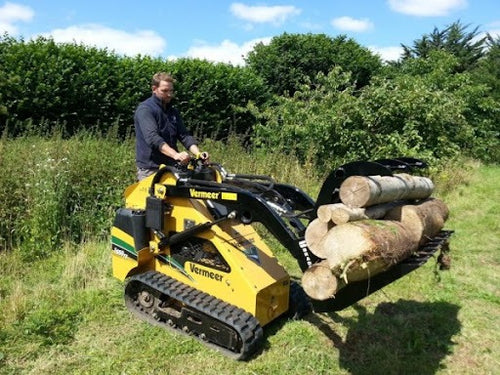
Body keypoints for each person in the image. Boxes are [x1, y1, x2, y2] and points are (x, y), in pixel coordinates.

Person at [134, 72, 209, 181]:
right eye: (164, 91)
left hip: (171, 166)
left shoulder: (172, 111)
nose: (169, 94)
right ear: (154, 89)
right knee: (153, 198)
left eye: (171, 91)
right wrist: (176, 155)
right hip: (151, 168)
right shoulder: (145, 109)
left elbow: (184, 135)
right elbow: (153, 138)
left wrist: (198, 153)